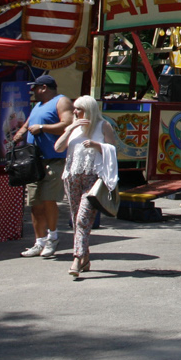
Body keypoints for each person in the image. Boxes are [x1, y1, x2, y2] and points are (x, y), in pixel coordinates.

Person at [54, 96, 118, 278]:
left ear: (89, 110)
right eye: (74, 109)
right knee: (76, 219)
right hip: (72, 177)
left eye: (79, 109)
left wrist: (98, 145)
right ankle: (86, 258)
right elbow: (58, 147)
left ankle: (77, 258)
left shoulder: (102, 125)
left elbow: (113, 149)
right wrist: (71, 128)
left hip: (93, 179)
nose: (75, 112)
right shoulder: (74, 128)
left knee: (83, 218)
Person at [13, 74, 74, 259]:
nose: (33, 91)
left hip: (53, 159)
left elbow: (68, 123)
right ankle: (39, 242)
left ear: (44, 88)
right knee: (34, 202)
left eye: (35, 88)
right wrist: (21, 132)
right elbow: (29, 122)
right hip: (34, 161)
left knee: (48, 199)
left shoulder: (61, 101)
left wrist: (43, 128)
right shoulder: (38, 106)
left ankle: (53, 237)